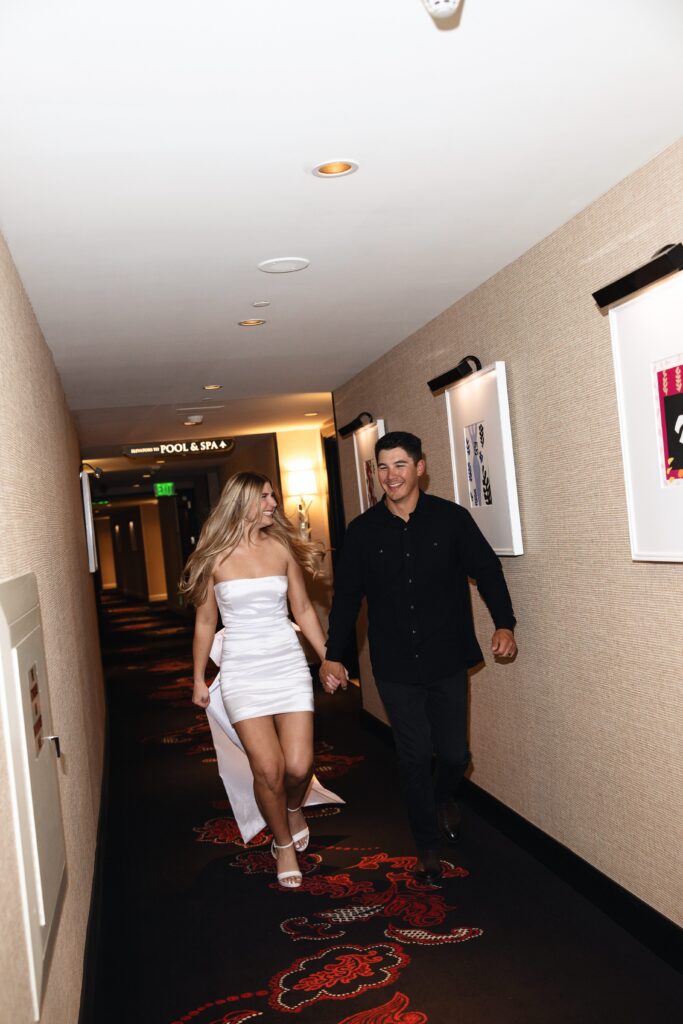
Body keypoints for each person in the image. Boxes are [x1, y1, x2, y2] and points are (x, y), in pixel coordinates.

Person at [320, 431, 517, 882]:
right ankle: (427, 847)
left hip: (446, 657)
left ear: (420, 467)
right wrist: (334, 655)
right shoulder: (363, 532)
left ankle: (442, 795)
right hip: (393, 665)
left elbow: (486, 569)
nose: (392, 476)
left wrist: (505, 623)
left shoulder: (451, 520)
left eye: (401, 465)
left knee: (453, 753)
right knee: (412, 757)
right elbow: (347, 598)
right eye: (383, 467)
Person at [181, 472, 333, 889]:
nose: (273, 502)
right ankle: (282, 844)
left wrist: (327, 658)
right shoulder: (214, 557)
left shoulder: (281, 548)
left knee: (299, 767)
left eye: (272, 495)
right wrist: (198, 677)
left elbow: (302, 609)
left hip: (286, 662)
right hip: (242, 669)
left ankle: (291, 807)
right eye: (264, 496)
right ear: (242, 502)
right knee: (268, 768)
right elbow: (206, 622)